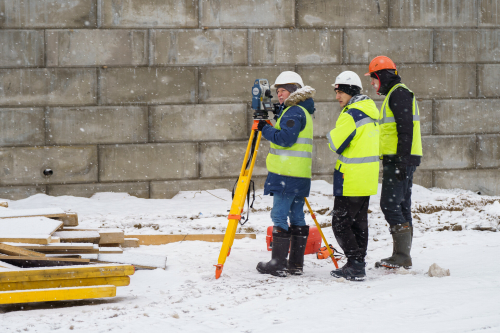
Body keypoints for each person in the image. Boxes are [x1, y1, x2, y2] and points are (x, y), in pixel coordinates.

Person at [255, 71, 315, 277]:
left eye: (282, 91)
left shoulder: (293, 112)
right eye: (278, 91)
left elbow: (285, 139)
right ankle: (295, 264)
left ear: (293, 92)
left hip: (286, 173)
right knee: (297, 215)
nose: (279, 95)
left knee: (279, 215)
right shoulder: (301, 111)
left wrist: (265, 128)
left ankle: (278, 263)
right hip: (298, 174)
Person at [365, 56, 423, 269]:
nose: (372, 83)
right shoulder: (396, 93)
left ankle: (402, 255)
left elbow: (405, 129)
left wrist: (401, 161)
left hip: (400, 160)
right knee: (401, 204)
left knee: (389, 204)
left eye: (374, 78)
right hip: (401, 159)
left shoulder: (398, 94)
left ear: (383, 76)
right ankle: (402, 255)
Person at [327, 71, 380, 281]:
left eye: (340, 92)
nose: (337, 96)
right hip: (367, 177)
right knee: (359, 222)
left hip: (350, 177)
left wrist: (330, 135)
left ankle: (355, 263)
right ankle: (358, 263)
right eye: (336, 92)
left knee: (340, 223)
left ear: (350, 92)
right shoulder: (371, 113)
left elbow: (336, 144)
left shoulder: (350, 114)